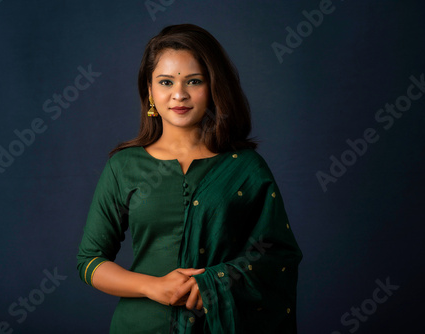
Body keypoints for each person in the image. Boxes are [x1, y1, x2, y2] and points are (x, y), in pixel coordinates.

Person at [76, 24, 302, 333]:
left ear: (213, 88)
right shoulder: (124, 165)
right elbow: (90, 261)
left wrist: (215, 282)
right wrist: (153, 287)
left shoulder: (245, 167)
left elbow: (277, 255)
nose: (179, 94)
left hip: (218, 324)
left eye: (194, 81)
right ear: (150, 91)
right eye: (166, 82)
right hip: (141, 325)